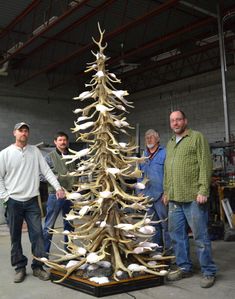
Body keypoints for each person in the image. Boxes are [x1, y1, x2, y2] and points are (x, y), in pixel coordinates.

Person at [0, 122, 65, 283]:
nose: (23, 133)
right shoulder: (5, 154)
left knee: (37, 236)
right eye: (20, 131)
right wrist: (6, 197)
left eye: (26, 131)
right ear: (14, 133)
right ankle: (20, 267)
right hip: (13, 201)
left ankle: (38, 266)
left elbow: (47, 171)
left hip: (31, 202)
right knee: (15, 238)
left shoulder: (34, 152)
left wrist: (58, 187)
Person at [163, 110, 217, 288]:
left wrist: (203, 190)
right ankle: (184, 267)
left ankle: (208, 271)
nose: (176, 123)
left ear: (185, 121)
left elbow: (205, 164)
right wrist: (166, 191)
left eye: (178, 119)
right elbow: (167, 170)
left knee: (200, 236)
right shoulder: (170, 143)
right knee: (177, 236)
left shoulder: (196, 137)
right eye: (172, 120)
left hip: (193, 197)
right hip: (174, 198)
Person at [137, 129, 171, 255]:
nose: (149, 139)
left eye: (151, 137)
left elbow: (169, 174)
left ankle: (169, 251)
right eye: (147, 137)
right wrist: (139, 192)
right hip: (147, 196)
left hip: (161, 196)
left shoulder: (165, 153)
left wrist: (167, 192)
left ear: (157, 139)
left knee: (166, 225)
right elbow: (139, 175)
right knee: (153, 226)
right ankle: (157, 250)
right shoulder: (143, 155)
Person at [43, 131, 75, 254]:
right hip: (54, 195)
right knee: (49, 226)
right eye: (60, 140)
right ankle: (44, 254)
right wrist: (55, 179)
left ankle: (70, 251)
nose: (63, 142)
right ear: (55, 142)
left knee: (70, 224)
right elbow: (41, 175)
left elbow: (76, 172)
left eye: (65, 140)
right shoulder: (49, 157)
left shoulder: (72, 156)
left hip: (70, 194)